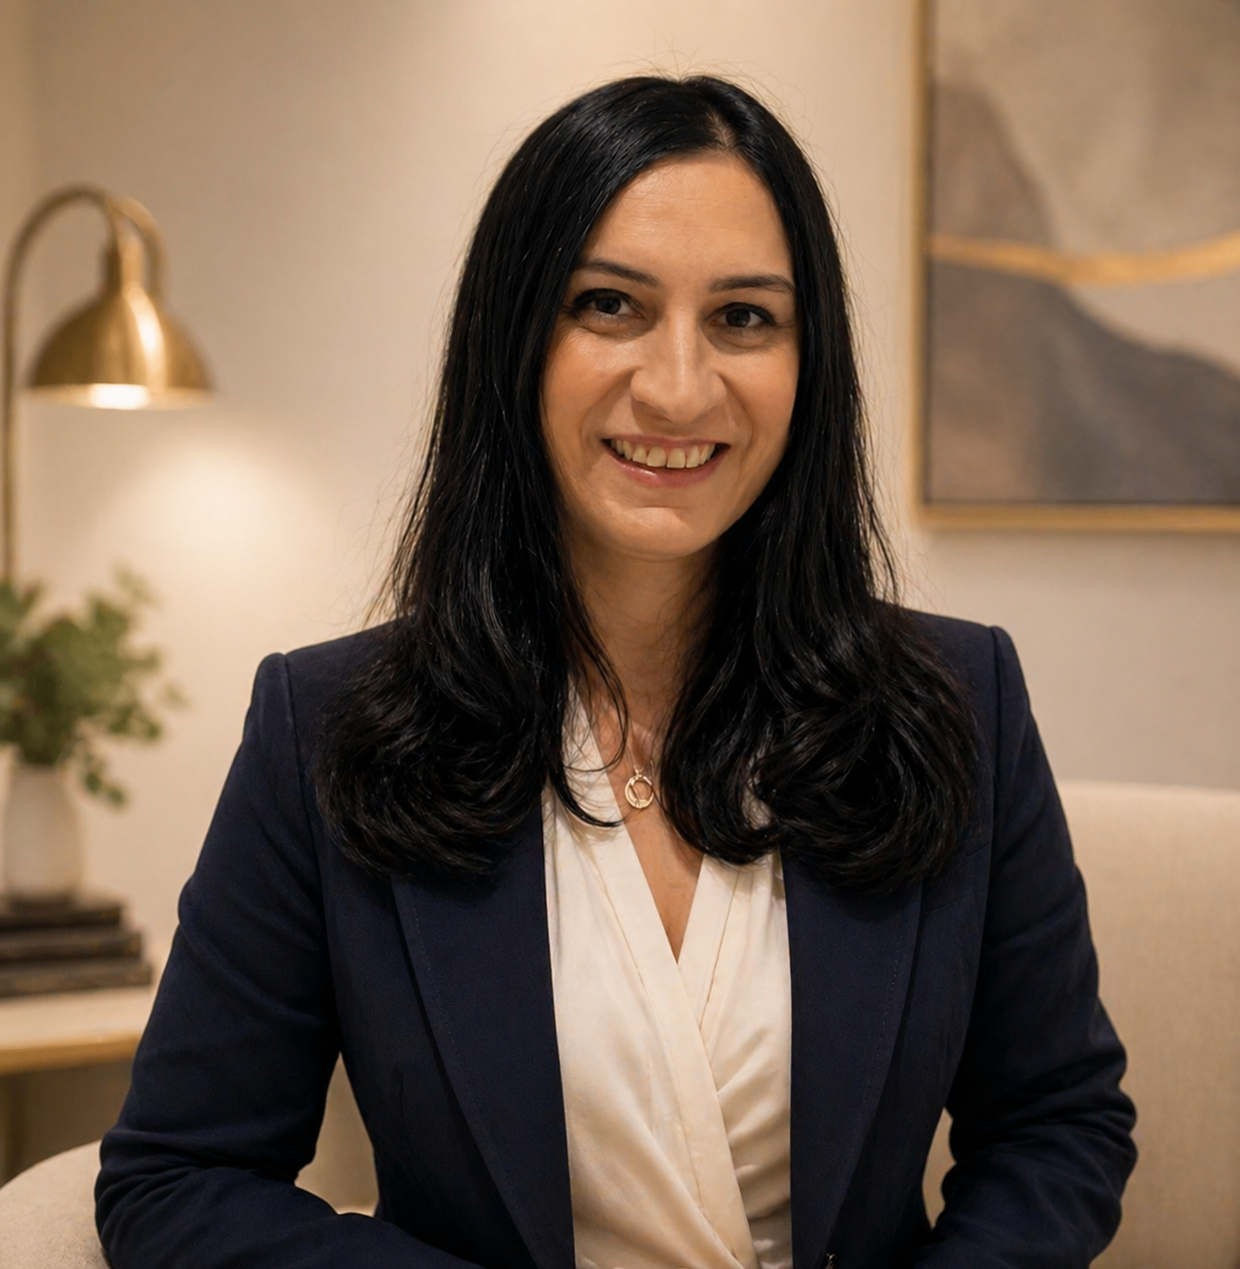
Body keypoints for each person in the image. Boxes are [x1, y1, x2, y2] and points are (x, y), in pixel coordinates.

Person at [95, 75, 1136, 1268]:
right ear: (515, 338)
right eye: (609, 306)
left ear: (812, 364)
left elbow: (1058, 1125)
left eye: (744, 317)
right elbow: (179, 1178)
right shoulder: (323, 726)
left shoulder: (958, 700)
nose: (679, 387)